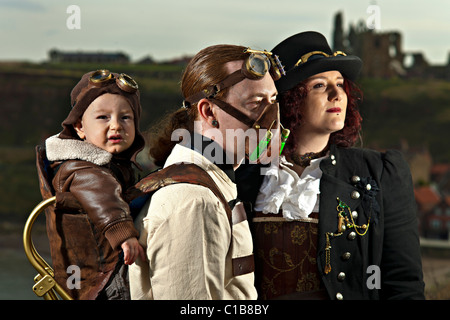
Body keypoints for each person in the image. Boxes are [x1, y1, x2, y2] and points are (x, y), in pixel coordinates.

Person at [236, 31, 425, 300]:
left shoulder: (380, 172)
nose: (337, 94)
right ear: (289, 99)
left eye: (340, 84)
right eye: (320, 86)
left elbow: (404, 285)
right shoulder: (245, 174)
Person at [128, 44, 284, 299]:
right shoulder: (195, 201)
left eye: (273, 102)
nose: (272, 119)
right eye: (256, 103)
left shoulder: (214, 181)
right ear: (208, 111)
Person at [43, 70, 146, 299]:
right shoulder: (81, 168)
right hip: (103, 276)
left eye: (126, 117)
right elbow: (102, 194)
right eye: (103, 118)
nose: (116, 126)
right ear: (79, 127)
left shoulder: (111, 165)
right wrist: (122, 232)